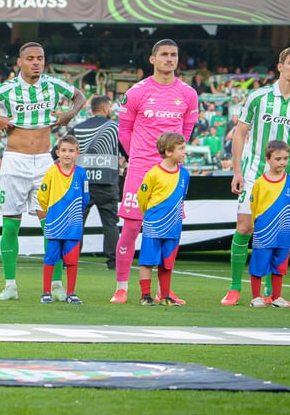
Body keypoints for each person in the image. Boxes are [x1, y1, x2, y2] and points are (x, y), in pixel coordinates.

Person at [0, 42, 86, 301]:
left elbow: (80, 96)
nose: (36, 62)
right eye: (30, 58)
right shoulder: (8, 89)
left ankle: (55, 284)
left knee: (51, 226)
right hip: (14, 162)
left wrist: (70, 112)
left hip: (45, 162)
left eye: (40, 58)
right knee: (10, 226)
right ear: (19, 62)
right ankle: (10, 285)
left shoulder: (53, 85)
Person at [223, 45, 290, 305]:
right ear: (280, 66)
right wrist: (238, 171)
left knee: (277, 234)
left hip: (285, 180)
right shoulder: (258, 97)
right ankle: (234, 288)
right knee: (245, 227)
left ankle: (269, 293)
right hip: (254, 173)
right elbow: (240, 133)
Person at [110, 40, 196, 304]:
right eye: (164, 55)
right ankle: (122, 286)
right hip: (140, 169)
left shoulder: (188, 94)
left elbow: (187, 131)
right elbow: (124, 130)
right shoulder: (136, 92)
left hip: (171, 173)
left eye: (173, 55)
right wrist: (138, 156)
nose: (169, 59)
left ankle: (164, 290)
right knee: (131, 229)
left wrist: (170, 160)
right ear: (152, 59)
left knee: (168, 230)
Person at [137, 132, 189, 306]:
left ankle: (165, 296)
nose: (184, 152)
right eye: (181, 148)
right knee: (147, 260)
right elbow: (142, 198)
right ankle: (146, 295)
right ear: (168, 152)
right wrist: (150, 216)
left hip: (173, 226)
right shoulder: (153, 173)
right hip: (154, 224)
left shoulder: (185, 174)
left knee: (167, 262)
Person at [36, 135, 89, 304]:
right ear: (58, 152)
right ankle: (46, 292)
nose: (67, 154)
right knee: (50, 258)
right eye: (64, 150)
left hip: (73, 226)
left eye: (71, 151)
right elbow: (42, 196)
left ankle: (71, 293)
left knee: (72, 261)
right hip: (54, 223)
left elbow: (85, 198)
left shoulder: (81, 173)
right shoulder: (52, 171)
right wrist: (52, 211)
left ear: (77, 153)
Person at [69, 95, 120, 270]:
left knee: (77, 223)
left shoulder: (77, 128)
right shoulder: (115, 128)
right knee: (110, 224)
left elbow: (57, 153)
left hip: (82, 184)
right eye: (110, 108)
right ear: (105, 110)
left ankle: (71, 261)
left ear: (92, 110)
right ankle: (113, 263)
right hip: (108, 184)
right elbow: (129, 153)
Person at [248, 141, 290, 308]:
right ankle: (256, 297)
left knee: (280, 265)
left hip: (283, 231)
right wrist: (257, 226)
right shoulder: (260, 183)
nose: (282, 162)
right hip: (264, 231)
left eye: (285, 158)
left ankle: (277, 297)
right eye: (278, 159)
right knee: (259, 264)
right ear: (268, 160)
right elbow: (254, 206)